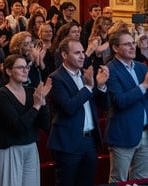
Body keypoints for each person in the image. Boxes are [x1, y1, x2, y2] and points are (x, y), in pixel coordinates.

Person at [47, 38, 109, 186]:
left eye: (83, 52)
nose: (82, 56)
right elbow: (69, 108)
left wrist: (100, 86)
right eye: (77, 53)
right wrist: (88, 87)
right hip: (68, 142)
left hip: (89, 141)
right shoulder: (55, 78)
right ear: (64, 55)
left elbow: (104, 105)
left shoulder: (84, 75)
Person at [105, 29, 148, 182]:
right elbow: (120, 101)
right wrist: (145, 84)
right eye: (127, 44)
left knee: (141, 180)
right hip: (123, 132)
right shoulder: (109, 70)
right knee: (119, 180)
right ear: (115, 48)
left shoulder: (141, 67)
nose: (132, 47)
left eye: (133, 43)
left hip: (146, 132)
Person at [0, 54, 51, 186]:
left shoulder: (31, 92)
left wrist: (43, 101)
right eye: (21, 67)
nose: (25, 70)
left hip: (30, 147)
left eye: (27, 67)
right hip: (9, 149)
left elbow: (45, 124)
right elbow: (18, 127)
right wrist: (36, 106)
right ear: (8, 71)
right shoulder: (2, 94)